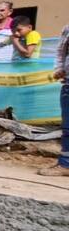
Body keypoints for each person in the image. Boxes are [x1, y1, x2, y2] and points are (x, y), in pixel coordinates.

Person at [39, 23, 69, 176]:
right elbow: (61, 51)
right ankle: (65, 164)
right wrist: (59, 68)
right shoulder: (67, 29)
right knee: (68, 127)